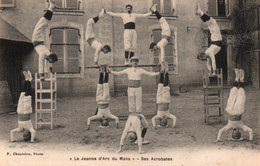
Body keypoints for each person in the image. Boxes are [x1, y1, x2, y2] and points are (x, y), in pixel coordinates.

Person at [108, 55, 160, 143]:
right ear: (131, 62)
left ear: (138, 62)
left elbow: (150, 74)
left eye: (136, 61)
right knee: (131, 102)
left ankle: (138, 115)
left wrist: (159, 73)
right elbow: (118, 73)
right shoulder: (128, 70)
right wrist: (110, 71)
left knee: (138, 102)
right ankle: (132, 115)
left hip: (138, 88)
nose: (135, 62)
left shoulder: (140, 70)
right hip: (131, 88)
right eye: (133, 61)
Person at [217, 69, 253, 141]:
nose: (235, 134)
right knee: (241, 93)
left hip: (230, 109)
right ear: (239, 133)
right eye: (237, 135)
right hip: (239, 110)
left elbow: (220, 131)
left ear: (232, 133)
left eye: (234, 135)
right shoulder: (241, 126)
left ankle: (237, 78)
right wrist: (250, 139)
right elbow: (250, 131)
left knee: (233, 92)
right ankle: (241, 78)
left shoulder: (229, 126)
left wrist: (218, 139)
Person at [32, 0, 58, 81]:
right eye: (52, 61)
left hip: (39, 40)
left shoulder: (48, 55)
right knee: (43, 22)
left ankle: (51, 7)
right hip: (37, 39)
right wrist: (42, 75)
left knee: (44, 22)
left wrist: (45, 74)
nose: (51, 62)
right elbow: (41, 62)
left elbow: (46, 64)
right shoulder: (44, 54)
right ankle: (51, 7)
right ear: (50, 58)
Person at [87, 65, 119, 130]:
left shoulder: (98, 116)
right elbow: (116, 118)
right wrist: (117, 126)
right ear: (108, 121)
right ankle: (106, 71)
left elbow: (89, 119)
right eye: (106, 123)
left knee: (100, 85)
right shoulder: (109, 115)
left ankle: (101, 72)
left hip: (98, 100)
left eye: (103, 123)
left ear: (101, 122)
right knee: (106, 85)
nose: (105, 122)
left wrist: (88, 126)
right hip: (106, 100)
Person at [196, 4, 222, 76]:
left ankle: (200, 13)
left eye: (202, 59)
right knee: (211, 23)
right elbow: (209, 64)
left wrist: (213, 72)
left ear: (203, 55)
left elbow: (213, 61)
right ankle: (200, 13)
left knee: (212, 23)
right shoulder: (207, 54)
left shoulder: (209, 52)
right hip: (216, 40)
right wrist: (210, 72)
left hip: (216, 39)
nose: (204, 60)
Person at [10, 71, 36, 143]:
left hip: (20, 111)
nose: (25, 134)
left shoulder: (20, 129)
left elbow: (11, 131)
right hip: (26, 111)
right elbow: (33, 132)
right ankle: (29, 80)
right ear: (29, 133)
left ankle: (26, 79)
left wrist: (13, 139)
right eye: (27, 135)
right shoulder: (30, 128)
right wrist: (32, 140)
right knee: (27, 94)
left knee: (22, 94)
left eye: (24, 136)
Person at [152, 63, 176, 129]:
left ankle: (162, 71)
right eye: (165, 122)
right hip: (166, 100)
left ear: (160, 121)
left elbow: (153, 119)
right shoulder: (168, 115)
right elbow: (174, 118)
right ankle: (167, 72)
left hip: (159, 100)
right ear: (166, 121)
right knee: (165, 87)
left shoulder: (158, 116)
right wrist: (173, 125)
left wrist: (154, 126)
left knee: (160, 86)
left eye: (162, 122)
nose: (164, 121)